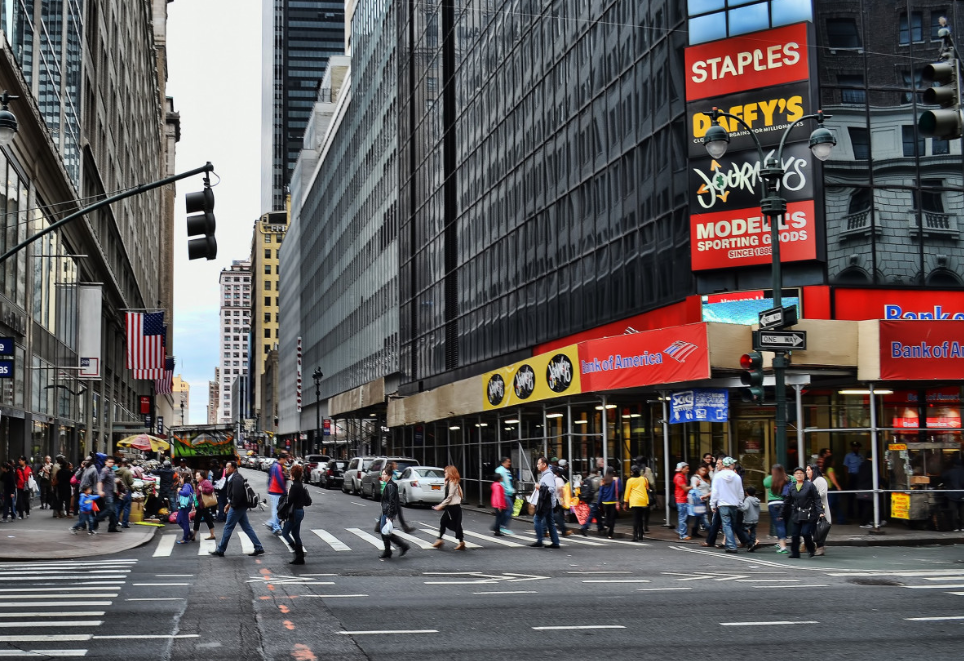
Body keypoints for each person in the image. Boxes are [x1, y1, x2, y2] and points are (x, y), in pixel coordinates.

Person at [210, 461, 265, 557]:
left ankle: (220, 549)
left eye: (228, 467)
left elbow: (237, 495)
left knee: (228, 527)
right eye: (226, 467)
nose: (226, 469)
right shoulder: (234, 477)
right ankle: (258, 547)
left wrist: (231, 505)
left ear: (233, 468)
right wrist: (229, 504)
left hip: (237, 507)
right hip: (239, 506)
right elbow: (234, 495)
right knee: (246, 527)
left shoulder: (236, 479)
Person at [710, 457, 752, 553]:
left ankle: (731, 546)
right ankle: (730, 545)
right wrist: (740, 502)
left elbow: (715, 492)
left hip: (723, 504)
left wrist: (712, 504)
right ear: (730, 465)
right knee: (731, 525)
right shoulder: (736, 477)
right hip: (734, 504)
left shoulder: (718, 476)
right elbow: (740, 492)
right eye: (733, 464)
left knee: (727, 525)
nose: (734, 465)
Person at [783, 466, 824, 558]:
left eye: (801, 473)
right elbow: (787, 501)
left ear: (804, 475)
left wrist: (820, 511)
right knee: (795, 534)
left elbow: (817, 499)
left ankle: (811, 548)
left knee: (806, 533)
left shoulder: (810, 485)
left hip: (809, 513)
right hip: (797, 513)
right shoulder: (792, 487)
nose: (799, 475)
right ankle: (795, 553)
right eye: (797, 473)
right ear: (794, 475)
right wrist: (782, 512)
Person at [378, 467, 410, 559]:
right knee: (385, 531)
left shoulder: (390, 486)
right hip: (386, 511)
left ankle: (398, 547)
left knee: (384, 531)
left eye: (385, 474)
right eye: (382, 474)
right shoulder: (388, 484)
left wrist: (390, 515)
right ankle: (392, 549)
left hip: (388, 512)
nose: (383, 476)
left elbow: (392, 501)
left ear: (390, 475)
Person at [282, 464, 312, 564]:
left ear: (293, 474)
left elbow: (290, 501)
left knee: (285, 533)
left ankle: (298, 553)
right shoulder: (300, 485)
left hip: (294, 513)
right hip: (300, 511)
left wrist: (288, 493)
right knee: (295, 534)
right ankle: (300, 557)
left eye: (290, 472)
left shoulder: (295, 486)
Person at [431, 465, 466, 550]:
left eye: (446, 472)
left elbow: (449, 497)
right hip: (451, 507)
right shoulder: (451, 482)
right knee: (447, 522)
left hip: (453, 507)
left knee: (454, 524)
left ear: (450, 473)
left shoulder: (453, 483)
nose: (445, 474)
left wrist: (441, 505)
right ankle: (441, 540)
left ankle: (441, 540)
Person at [530, 456, 560, 548]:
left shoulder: (548, 475)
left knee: (537, 519)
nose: (537, 465)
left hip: (546, 503)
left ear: (544, 464)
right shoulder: (546, 474)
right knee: (550, 522)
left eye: (539, 463)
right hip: (547, 503)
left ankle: (540, 540)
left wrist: (540, 487)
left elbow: (551, 489)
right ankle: (555, 542)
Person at [763, 464, 790, 553]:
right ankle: (781, 543)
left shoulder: (769, 479)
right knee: (783, 524)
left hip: (773, 504)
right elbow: (794, 481)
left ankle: (783, 547)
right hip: (785, 503)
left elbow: (765, 484)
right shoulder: (788, 478)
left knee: (779, 525)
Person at [807, 463, 830, 556]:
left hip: (819, 508)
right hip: (811, 509)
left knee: (818, 528)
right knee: (811, 528)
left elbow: (822, 493)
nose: (806, 472)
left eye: (808, 470)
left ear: (814, 470)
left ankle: (820, 547)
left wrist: (810, 497)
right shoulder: (809, 481)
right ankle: (812, 545)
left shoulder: (820, 480)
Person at [623, 466, 650, 542]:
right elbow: (647, 489)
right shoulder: (644, 479)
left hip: (635, 501)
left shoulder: (630, 480)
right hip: (643, 500)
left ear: (632, 472)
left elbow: (627, 492)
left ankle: (635, 536)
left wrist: (625, 503)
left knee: (635, 519)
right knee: (640, 518)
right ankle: (641, 535)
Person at [93, 456, 120, 533]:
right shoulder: (104, 470)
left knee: (113, 511)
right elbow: (100, 481)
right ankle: (96, 519)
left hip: (112, 493)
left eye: (112, 462)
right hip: (107, 493)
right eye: (109, 462)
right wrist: (100, 491)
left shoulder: (112, 471)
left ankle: (112, 527)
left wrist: (116, 481)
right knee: (109, 510)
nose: (111, 463)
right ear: (105, 462)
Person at [265, 453, 288, 536]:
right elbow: (279, 479)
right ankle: (275, 527)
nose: (286, 461)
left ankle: (271, 523)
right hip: (276, 491)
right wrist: (284, 490)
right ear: (281, 458)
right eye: (285, 459)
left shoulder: (274, 466)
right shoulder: (278, 466)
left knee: (277, 509)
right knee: (276, 510)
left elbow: (270, 477)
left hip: (274, 490)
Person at [192, 470, 217, 542]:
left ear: (202, 476)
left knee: (197, 519)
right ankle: (212, 534)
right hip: (201, 504)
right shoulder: (200, 482)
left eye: (198, 476)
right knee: (207, 518)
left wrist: (202, 489)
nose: (196, 477)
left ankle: (193, 535)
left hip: (203, 505)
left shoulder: (205, 482)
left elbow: (211, 489)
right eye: (196, 476)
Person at [578, 468, 603, 537]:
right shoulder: (599, 479)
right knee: (592, 514)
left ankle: (600, 527)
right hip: (595, 499)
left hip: (588, 499)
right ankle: (584, 527)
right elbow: (602, 488)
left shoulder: (586, 479)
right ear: (597, 473)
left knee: (597, 513)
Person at [597, 466, 620, 539]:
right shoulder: (616, 480)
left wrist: (598, 503)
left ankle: (606, 524)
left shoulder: (603, 480)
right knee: (612, 518)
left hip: (605, 502)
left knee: (607, 515)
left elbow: (600, 493)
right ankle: (610, 534)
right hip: (613, 501)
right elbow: (620, 490)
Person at [942, 459, 964, 532]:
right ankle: (963, 526)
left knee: (953, 512)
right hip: (962, 494)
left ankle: (955, 527)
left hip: (952, 495)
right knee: (962, 512)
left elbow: (942, 477)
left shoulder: (950, 472)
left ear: (954, 464)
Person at [690, 465, 712, 535]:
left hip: (705, 500)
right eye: (702, 470)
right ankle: (711, 531)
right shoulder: (695, 478)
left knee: (698, 517)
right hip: (698, 500)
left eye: (705, 470)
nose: (704, 472)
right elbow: (693, 488)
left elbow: (709, 489)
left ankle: (694, 531)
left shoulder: (706, 479)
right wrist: (696, 485)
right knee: (704, 516)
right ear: (698, 470)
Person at [843, 441, 863, 519]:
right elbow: (845, 467)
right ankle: (850, 514)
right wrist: (847, 478)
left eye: (857, 447)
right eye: (854, 447)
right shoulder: (848, 456)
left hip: (859, 477)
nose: (856, 448)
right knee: (851, 496)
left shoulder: (861, 456)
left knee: (860, 496)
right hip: (852, 476)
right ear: (852, 448)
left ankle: (860, 514)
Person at [495, 457, 514, 535]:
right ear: (503, 463)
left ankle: (498, 527)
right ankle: (502, 526)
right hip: (504, 494)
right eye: (508, 462)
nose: (509, 463)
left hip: (507, 493)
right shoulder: (500, 470)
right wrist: (507, 490)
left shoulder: (506, 470)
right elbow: (501, 483)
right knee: (509, 510)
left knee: (505, 511)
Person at [552, 465, 572, 537]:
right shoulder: (559, 480)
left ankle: (543, 530)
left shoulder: (549, 479)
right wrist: (563, 498)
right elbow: (561, 489)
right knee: (558, 516)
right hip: (556, 500)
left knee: (548, 516)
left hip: (549, 500)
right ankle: (564, 530)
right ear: (557, 473)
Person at [673, 462, 691, 541]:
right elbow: (685, 489)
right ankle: (682, 534)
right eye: (686, 469)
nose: (688, 470)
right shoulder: (679, 477)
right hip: (681, 500)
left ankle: (680, 530)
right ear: (682, 469)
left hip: (682, 499)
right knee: (683, 518)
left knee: (684, 517)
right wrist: (694, 486)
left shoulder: (680, 476)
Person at [175, 472, 194, 544]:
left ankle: (185, 538)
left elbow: (186, 493)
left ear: (183, 478)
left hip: (185, 506)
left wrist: (179, 491)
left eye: (180, 478)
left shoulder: (186, 485)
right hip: (185, 506)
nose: (180, 479)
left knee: (183, 521)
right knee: (179, 520)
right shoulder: (188, 485)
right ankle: (189, 533)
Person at [115, 459, 134, 528]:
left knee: (118, 507)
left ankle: (115, 522)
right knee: (127, 507)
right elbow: (130, 482)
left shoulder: (116, 471)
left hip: (119, 492)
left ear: (120, 463)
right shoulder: (128, 472)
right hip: (126, 491)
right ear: (126, 463)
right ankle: (124, 523)